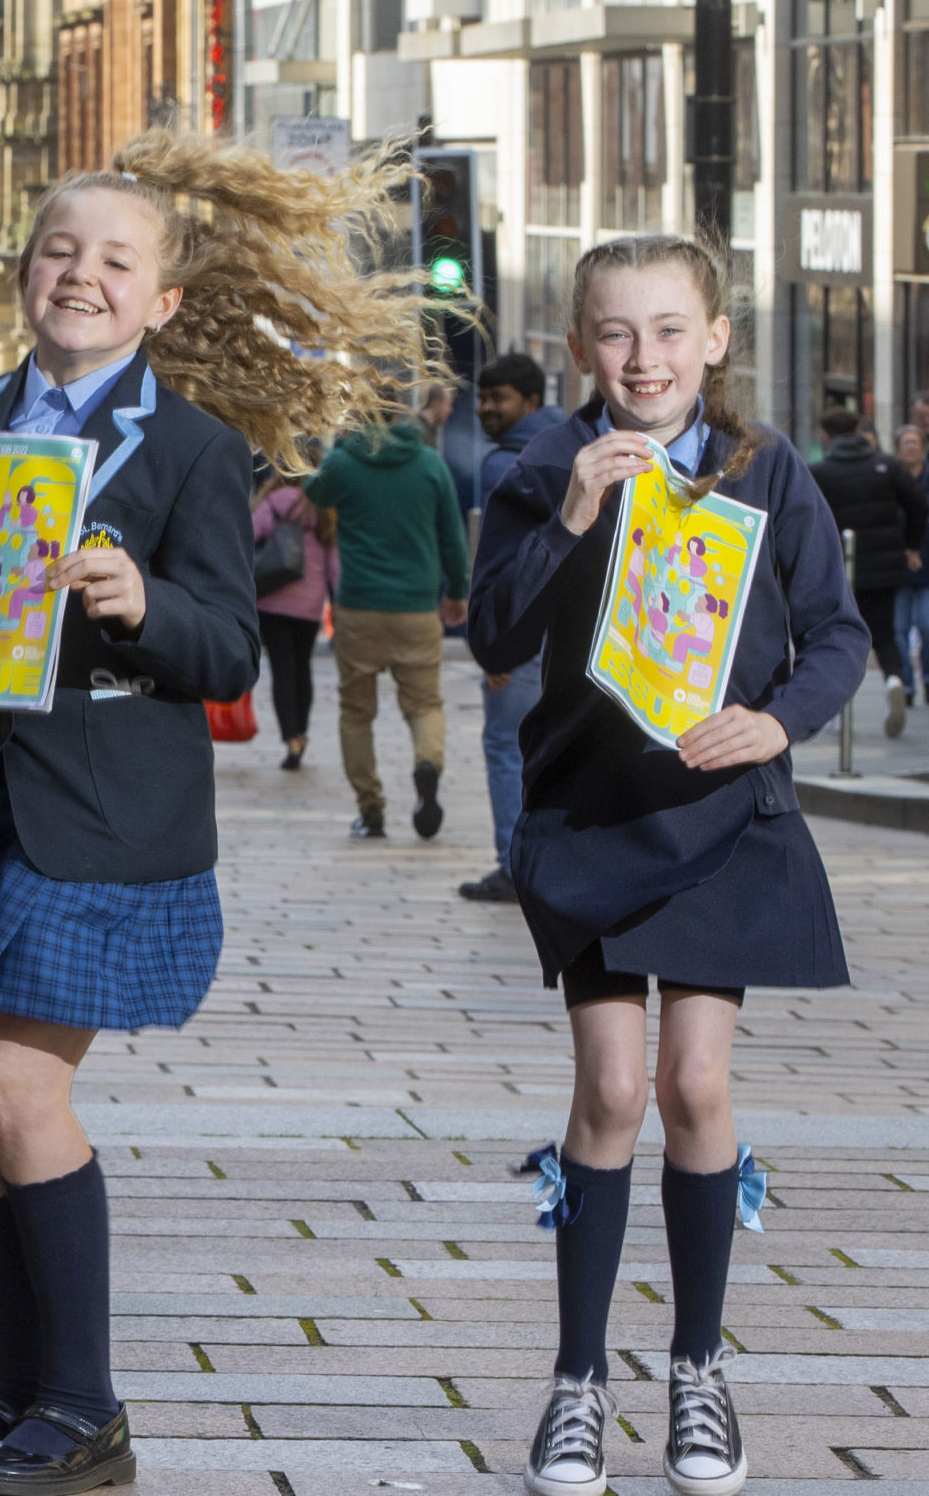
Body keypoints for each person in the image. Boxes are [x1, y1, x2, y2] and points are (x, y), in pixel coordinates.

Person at [0, 131, 441, 1496]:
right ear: (23, 274)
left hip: (110, 811)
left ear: (164, 302)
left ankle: (86, 1406)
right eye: (62, 251)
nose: (84, 275)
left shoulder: (195, 447)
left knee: (11, 1082)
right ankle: (15, 1393)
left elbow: (229, 651)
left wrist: (139, 605)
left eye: (117, 261)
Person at [470, 233, 866, 1496]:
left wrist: (778, 721)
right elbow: (491, 633)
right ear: (583, 343)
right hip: (591, 818)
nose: (644, 359)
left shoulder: (765, 467)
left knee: (696, 1086)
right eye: (616, 334)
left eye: (669, 330)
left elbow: (839, 636)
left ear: (717, 338)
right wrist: (575, 511)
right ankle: (576, 1383)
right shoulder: (538, 462)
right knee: (613, 1090)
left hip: (723, 817)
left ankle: (700, 1371)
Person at [302, 406, 470, 840]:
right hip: (416, 608)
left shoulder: (343, 462)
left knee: (356, 713)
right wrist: (457, 592)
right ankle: (426, 764)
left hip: (359, 607)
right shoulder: (430, 463)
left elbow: (313, 491)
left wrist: (338, 446)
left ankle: (371, 809)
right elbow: (452, 534)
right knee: (425, 705)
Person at [460, 353, 567, 904]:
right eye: (482, 397)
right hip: (573, 634)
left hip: (525, 632)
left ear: (529, 400)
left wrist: (496, 645)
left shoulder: (506, 465)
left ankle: (516, 865)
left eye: (497, 398)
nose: (485, 409)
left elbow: (500, 564)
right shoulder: (575, 444)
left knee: (507, 745)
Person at [808, 407, 927, 737]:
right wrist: (910, 545)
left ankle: (834, 708)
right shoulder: (887, 466)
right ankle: (893, 681)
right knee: (885, 634)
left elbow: (805, 518)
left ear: (827, 436)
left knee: (836, 634)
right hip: (885, 567)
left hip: (837, 569)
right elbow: (918, 505)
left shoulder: (820, 471)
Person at [250, 474, 336, 769]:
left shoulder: (272, 502)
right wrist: (335, 599)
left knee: (281, 671)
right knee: (302, 669)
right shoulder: (321, 508)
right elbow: (333, 558)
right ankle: (302, 731)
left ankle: (291, 740)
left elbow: (247, 537)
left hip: (272, 601)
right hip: (310, 605)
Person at [896, 425, 929, 707]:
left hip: (927, 566)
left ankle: (927, 679)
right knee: (899, 628)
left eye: (915, 442)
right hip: (896, 567)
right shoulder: (890, 478)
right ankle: (906, 685)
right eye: (906, 442)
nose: (911, 447)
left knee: (927, 625)